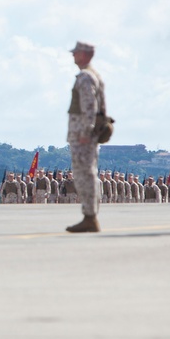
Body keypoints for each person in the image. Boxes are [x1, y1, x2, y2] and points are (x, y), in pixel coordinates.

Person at [66, 41, 106, 233]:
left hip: (83, 136)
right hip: (85, 134)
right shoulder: (92, 75)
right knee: (86, 174)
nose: (73, 56)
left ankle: (90, 216)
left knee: (85, 175)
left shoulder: (86, 77)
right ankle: (89, 215)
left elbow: (89, 107)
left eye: (76, 53)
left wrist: (85, 132)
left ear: (84, 55)